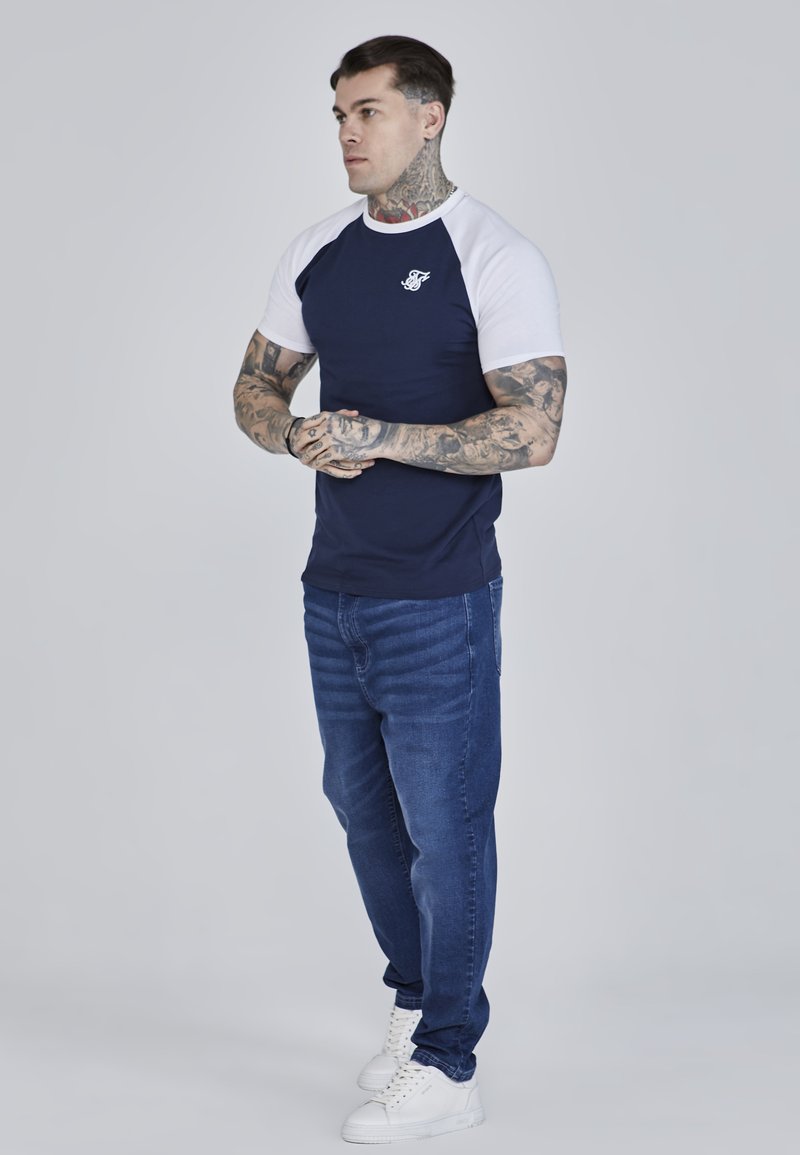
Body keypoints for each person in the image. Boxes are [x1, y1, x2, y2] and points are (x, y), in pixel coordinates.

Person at [233, 34, 566, 1144]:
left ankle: (450, 1060)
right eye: (338, 114)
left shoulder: (493, 254)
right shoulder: (318, 250)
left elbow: (533, 431)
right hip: (333, 587)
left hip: (441, 597)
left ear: (430, 117)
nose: (346, 133)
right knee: (362, 811)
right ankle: (418, 1000)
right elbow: (254, 384)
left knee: (446, 826)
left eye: (367, 111)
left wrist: (381, 434)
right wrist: (290, 435)